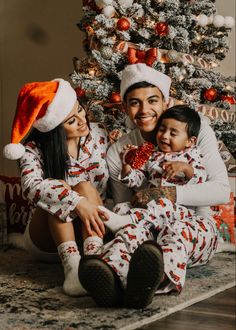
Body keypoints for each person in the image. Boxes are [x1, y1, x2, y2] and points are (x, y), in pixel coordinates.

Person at [78, 63, 230, 308]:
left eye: (152, 100)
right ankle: (110, 276)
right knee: (131, 233)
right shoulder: (125, 150)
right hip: (147, 226)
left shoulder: (193, 130)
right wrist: (129, 169)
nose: (144, 110)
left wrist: (165, 192)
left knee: (175, 235)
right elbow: (125, 201)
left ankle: (154, 281)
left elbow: (221, 190)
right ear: (125, 107)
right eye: (135, 102)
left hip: (194, 225)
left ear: (165, 102)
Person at [3, 78, 111, 297]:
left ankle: (93, 263)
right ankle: (72, 270)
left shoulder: (100, 134)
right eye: (72, 120)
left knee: (84, 186)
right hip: (46, 241)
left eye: (80, 110)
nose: (83, 120)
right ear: (54, 129)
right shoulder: (33, 150)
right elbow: (31, 186)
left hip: (92, 232)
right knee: (61, 188)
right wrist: (77, 202)